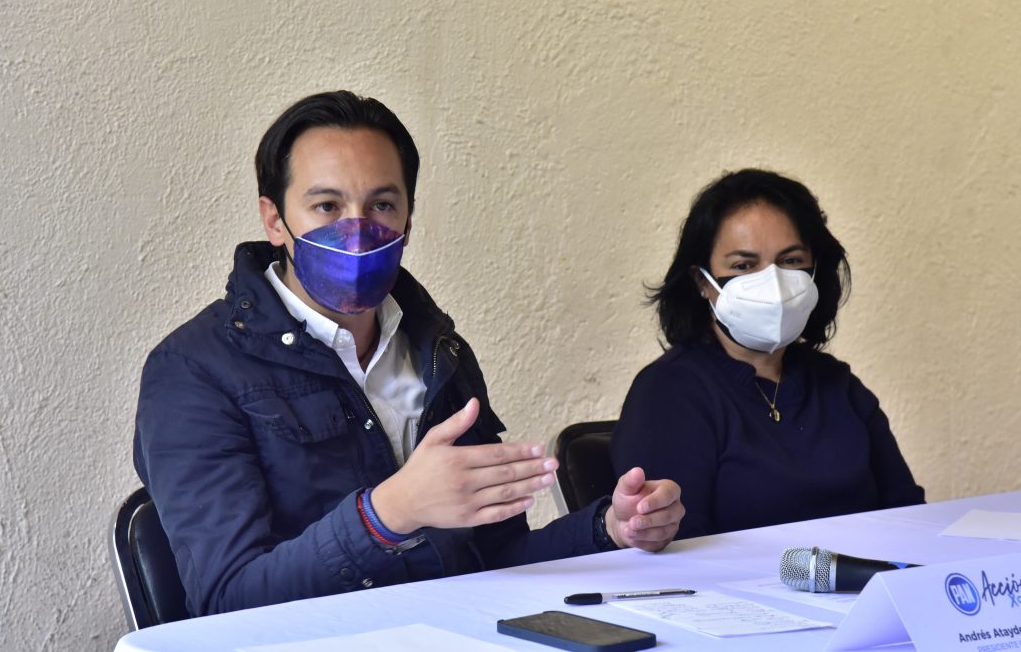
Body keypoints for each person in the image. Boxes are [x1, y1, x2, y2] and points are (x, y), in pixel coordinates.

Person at [134, 90, 684, 617]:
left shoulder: (436, 347)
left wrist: (608, 529)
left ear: (407, 221)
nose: (357, 228)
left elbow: (494, 561)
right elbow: (228, 602)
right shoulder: (192, 370)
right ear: (275, 219)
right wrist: (388, 514)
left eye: (382, 205)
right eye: (326, 205)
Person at [611, 168, 923, 541]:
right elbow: (671, 548)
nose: (773, 281)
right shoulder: (669, 392)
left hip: (867, 591)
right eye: (743, 266)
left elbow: (909, 518)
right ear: (701, 282)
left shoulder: (837, 384)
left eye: (791, 261)